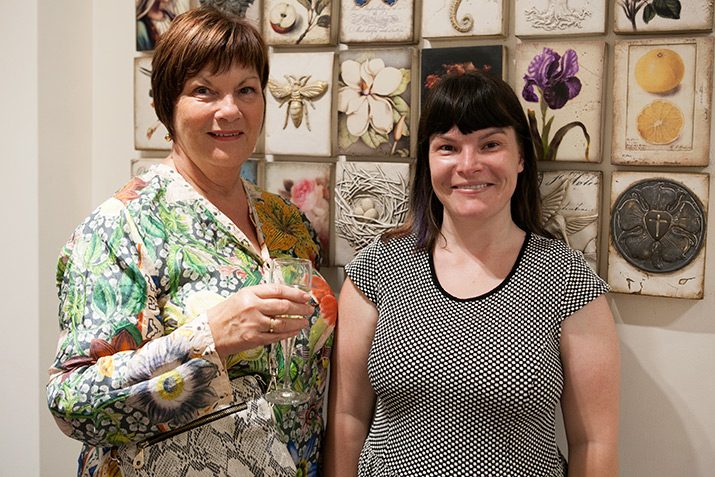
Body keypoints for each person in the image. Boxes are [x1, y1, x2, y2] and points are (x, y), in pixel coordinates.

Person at [47, 6, 336, 476]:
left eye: (246, 89)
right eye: (204, 91)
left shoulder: (288, 222)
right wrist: (208, 339)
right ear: (167, 105)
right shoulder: (121, 226)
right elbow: (72, 403)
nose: (231, 109)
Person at [324, 71, 619, 476]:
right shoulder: (378, 267)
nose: (468, 165)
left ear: (519, 157)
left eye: (490, 144)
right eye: (448, 147)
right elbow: (347, 417)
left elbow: (594, 443)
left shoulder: (567, 278)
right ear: (428, 161)